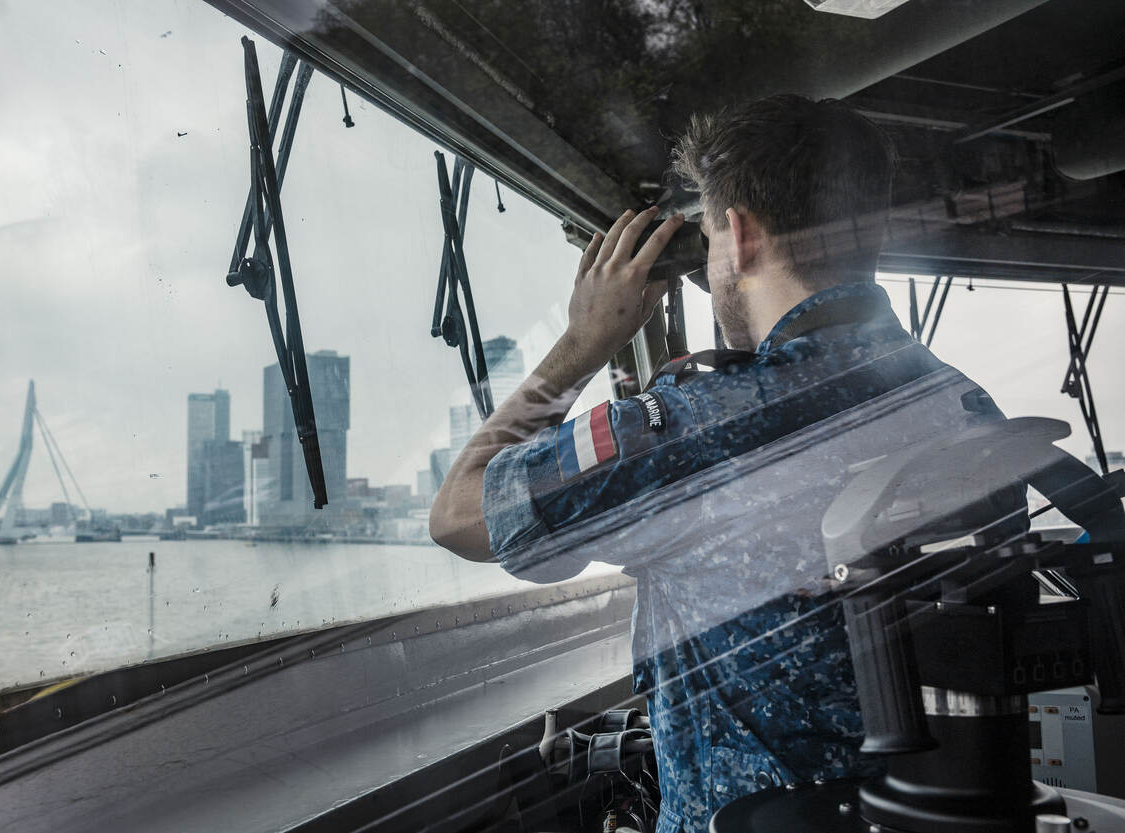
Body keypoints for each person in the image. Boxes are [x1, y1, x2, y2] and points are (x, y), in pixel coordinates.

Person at [429, 95, 1008, 832]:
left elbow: (458, 514)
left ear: (739, 235)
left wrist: (584, 342)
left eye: (706, 238)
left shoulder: (697, 427)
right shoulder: (968, 407)